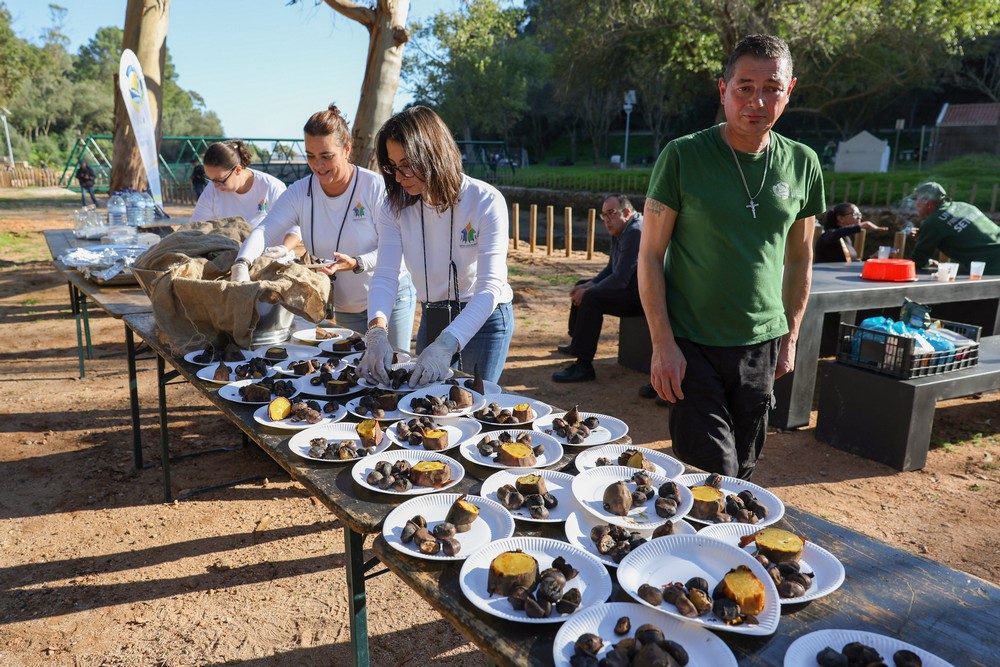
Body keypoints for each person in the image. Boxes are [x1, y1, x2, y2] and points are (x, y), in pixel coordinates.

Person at [638, 34, 825, 480]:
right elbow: (649, 254)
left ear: (789, 90)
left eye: (771, 88)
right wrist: (663, 344)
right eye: (744, 87)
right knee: (709, 471)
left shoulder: (803, 163)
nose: (756, 100)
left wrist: (791, 335)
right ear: (723, 90)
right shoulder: (683, 156)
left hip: (761, 343)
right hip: (692, 342)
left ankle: (725, 548)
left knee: (743, 468)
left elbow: (800, 258)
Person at [232, 105, 416, 351]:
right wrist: (242, 263)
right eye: (310, 156)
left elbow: (396, 249)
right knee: (359, 369)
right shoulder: (300, 191)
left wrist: (357, 262)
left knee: (395, 367)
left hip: (391, 300)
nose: (318, 165)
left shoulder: (373, 187)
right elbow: (266, 230)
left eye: (326, 156)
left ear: (347, 149)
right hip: (345, 305)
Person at [358, 106, 515, 387]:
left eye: (406, 164)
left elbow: (490, 286)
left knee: (472, 401)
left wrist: (446, 344)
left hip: (484, 317)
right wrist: (376, 332)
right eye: (392, 166)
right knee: (422, 400)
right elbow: (385, 274)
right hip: (434, 312)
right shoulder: (393, 207)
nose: (398, 176)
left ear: (433, 153)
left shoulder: (486, 202)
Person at [553, 194, 644, 382]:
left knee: (591, 298)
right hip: (630, 287)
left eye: (611, 213)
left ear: (626, 212)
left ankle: (584, 365)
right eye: (603, 215)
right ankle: (577, 342)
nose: (606, 220)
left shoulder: (635, 232)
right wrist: (589, 283)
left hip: (643, 297)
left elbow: (620, 279)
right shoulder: (621, 229)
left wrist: (589, 291)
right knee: (582, 285)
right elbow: (611, 268)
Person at [190, 140, 287, 229]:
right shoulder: (212, 189)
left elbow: (293, 227)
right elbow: (197, 225)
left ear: (238, 170)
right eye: (211, 180)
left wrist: (282, 247)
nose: (215, 186)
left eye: (220, 180)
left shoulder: (271, 187)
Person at [910, 181, 1000, 275]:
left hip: (992, 267)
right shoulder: (965, 206)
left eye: (915, 199)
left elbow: (917, 262)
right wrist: (924, 236)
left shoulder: (932, 222)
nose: (914, 204)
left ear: (927, 202)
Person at [813, 202, 887, 263]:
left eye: (860, 214)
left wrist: (873, 257)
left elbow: (850, 263)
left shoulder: (845, 237)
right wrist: (861, 226)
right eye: (855, 214)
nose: (859, 218)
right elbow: (831, 236)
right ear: (841, 218)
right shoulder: (829, 235)